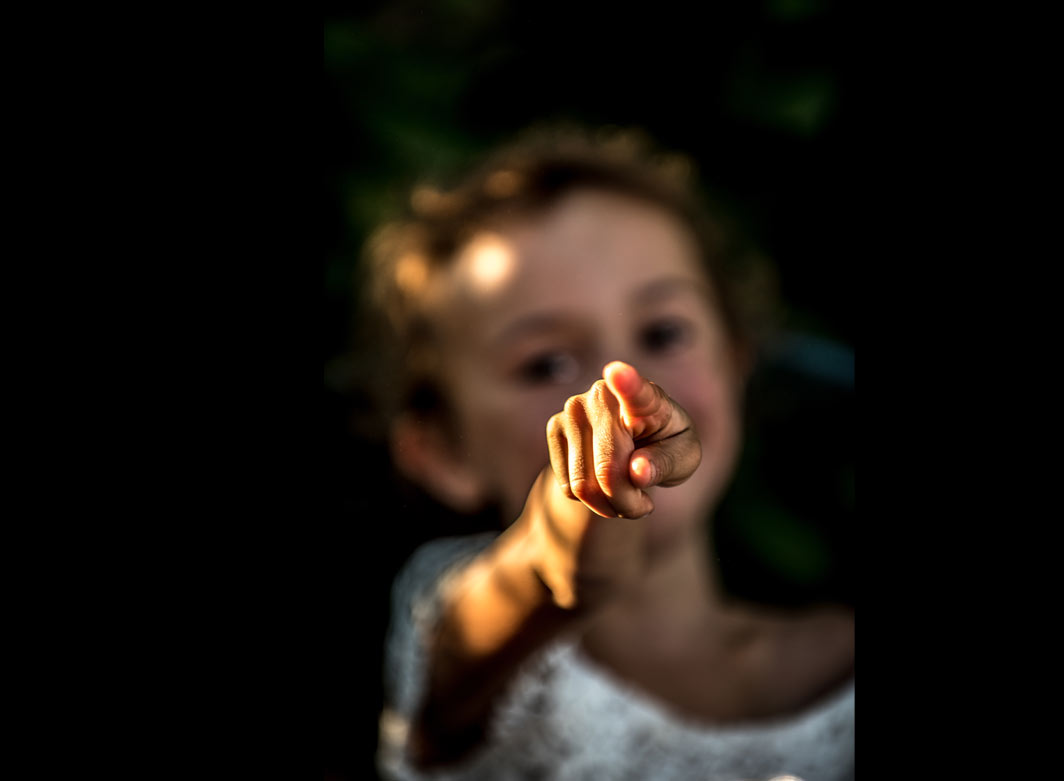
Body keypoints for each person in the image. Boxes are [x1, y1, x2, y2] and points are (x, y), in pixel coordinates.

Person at [358, 127, 854, 780]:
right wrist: (571, 523)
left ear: (735, 361)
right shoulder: (461, 644)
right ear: (443, 453)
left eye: (663, 330)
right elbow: (522, 580)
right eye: (546, 363)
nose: (621, 383)